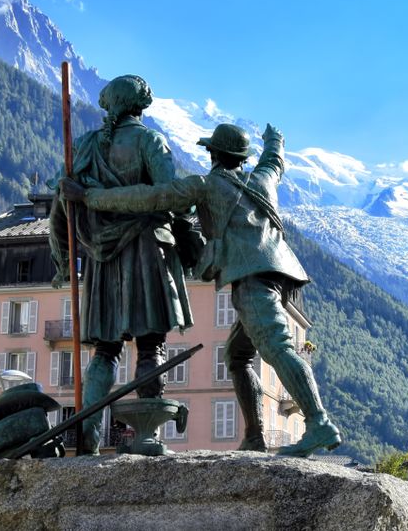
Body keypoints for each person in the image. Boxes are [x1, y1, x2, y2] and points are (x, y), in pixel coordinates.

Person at [60, 122, 342, 458]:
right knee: (237, 357)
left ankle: (319, 422)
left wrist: (88, 196)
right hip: (277, 274)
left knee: (277, 346)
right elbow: (274, 159)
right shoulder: (263, 179)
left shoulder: (206, 186)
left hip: (253, 278)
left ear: (213, 154)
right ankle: (254, 436)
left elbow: (148, 197)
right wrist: (274, 138)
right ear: (241, 157)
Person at [50, 74, 198, 454]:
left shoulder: (83, 147)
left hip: (103, 260)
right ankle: (147, 437)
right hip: (147, 250)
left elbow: (60, 208)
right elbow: (169, 195)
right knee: (150, 346)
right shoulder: (150, 142)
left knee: (105, 351)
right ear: (140, 107)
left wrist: (64, 260)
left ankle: (87, 439)